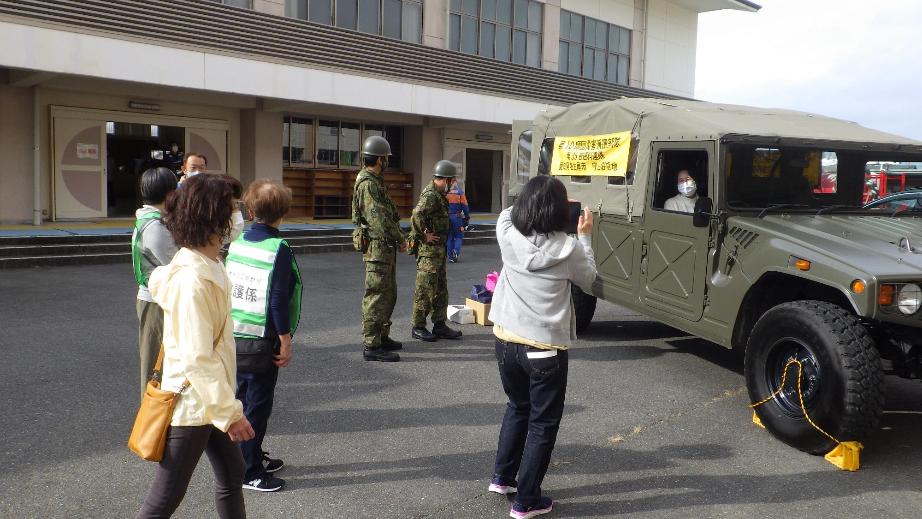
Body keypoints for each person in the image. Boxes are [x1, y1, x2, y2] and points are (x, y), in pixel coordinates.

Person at [137, 173, 255, 519]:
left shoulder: (208, 263)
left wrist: (224, 408)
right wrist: (230, 413)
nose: (237, 217)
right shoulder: (193, 279)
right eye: (232, 209)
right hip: (192, 402)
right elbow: (196, 357)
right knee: (161, 503)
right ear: (211, 217)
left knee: (233, 475)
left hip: (209, 399)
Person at [487, 175, 597, 519]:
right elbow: (590, 279)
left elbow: (509, 211)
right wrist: (585, 235)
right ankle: (527, 500)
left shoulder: (507, 232)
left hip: (505, 340)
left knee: (517, 407)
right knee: (542, 423)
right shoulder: (570, 248)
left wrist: (539, 199)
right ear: (559, 212)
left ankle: (502, 478)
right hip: (543, 348)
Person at [226, 180, 302, 493]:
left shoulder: (239, 241)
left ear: (250, 209)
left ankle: (250, 454)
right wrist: (285, 338)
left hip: (234, 335)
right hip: (262, 340)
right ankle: (249, 471)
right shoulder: (278, 248)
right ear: (282, 213)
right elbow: (278, 298)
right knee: (257, 406)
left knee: (242, 401)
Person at [351, 135, 406, 362]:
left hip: (383, 248)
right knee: (376, 295)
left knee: (388, 293)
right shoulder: (367, 184)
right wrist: (400, 238)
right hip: (377, 248)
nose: (387, 161)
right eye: (386, 158)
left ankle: (382, 336)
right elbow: (380, 221)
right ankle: (371, 345)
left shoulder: (374, 181)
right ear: (379, 159)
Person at [132, 167, 179, 396]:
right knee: (155, 366)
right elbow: (177, 264)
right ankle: (151, 420)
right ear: (169, 192)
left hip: (156, 299)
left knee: (161, 363)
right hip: (156, 302)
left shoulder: (150, 220)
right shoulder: (155, 227)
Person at [408, 160, 463, 342]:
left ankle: (439, 325)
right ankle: (418, 326)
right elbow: (417, 215)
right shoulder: (431, 195)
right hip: (429, 253)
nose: (453, 184)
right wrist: (424, 236)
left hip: (438, 251)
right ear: (445, 179)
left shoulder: (439, 194)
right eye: (452, 181)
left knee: (440, 289)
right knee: (425, 289)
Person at [445, 179, 470, 263]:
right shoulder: (460, 193)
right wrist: (466, 218)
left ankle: (450, 257)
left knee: (450, 237)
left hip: (447, 218)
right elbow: (465, 207)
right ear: (455, 182)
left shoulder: (445, 193)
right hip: (457, 217)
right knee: (459, 236)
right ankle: (456, 251)